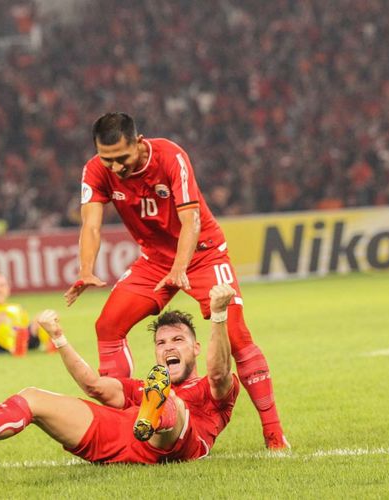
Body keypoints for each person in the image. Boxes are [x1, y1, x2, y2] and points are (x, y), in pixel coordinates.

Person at [64, 112, 288, 449]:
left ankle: (273, 434)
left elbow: (192, 220)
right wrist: (85, 268)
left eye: (121, 158)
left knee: (237, 336)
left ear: (139, 144)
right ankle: (125, 423)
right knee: (107, 326)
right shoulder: (96, 170)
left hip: (202, 253)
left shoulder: (171, 156)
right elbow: (91, 225)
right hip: (154, 260)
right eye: (107, 159)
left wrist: (181, 267)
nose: (115, 167)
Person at [0, 284, 241, 464]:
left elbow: (220, 371)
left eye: (178, 340)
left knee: (172, 403)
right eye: (162, 342)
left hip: (180, 441)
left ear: (195, 349)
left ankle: (156, 414)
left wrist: (219, 316)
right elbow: (95, 386)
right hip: (124, 437)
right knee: (33, 397)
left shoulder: (217, 389)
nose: (168, 347)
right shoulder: (143, 386)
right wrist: (58, 338)